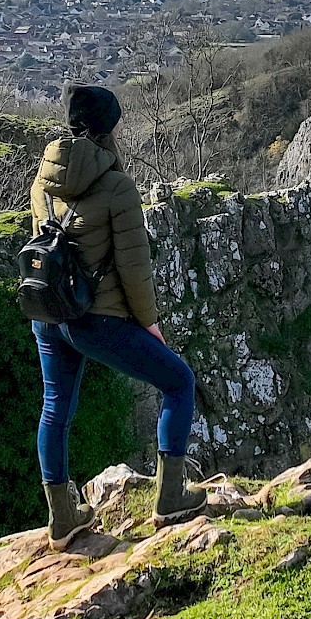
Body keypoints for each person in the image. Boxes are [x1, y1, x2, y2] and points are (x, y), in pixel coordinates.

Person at [29, 83, 201, 543]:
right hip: (96, 321)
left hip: (49, 314)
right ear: (109, 128)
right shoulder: (117, 186)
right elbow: (133, 267)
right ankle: (170, 500)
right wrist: (150, 324)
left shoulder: (44, 180)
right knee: (179, 382)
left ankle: (63, 519)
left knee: (54, 410)